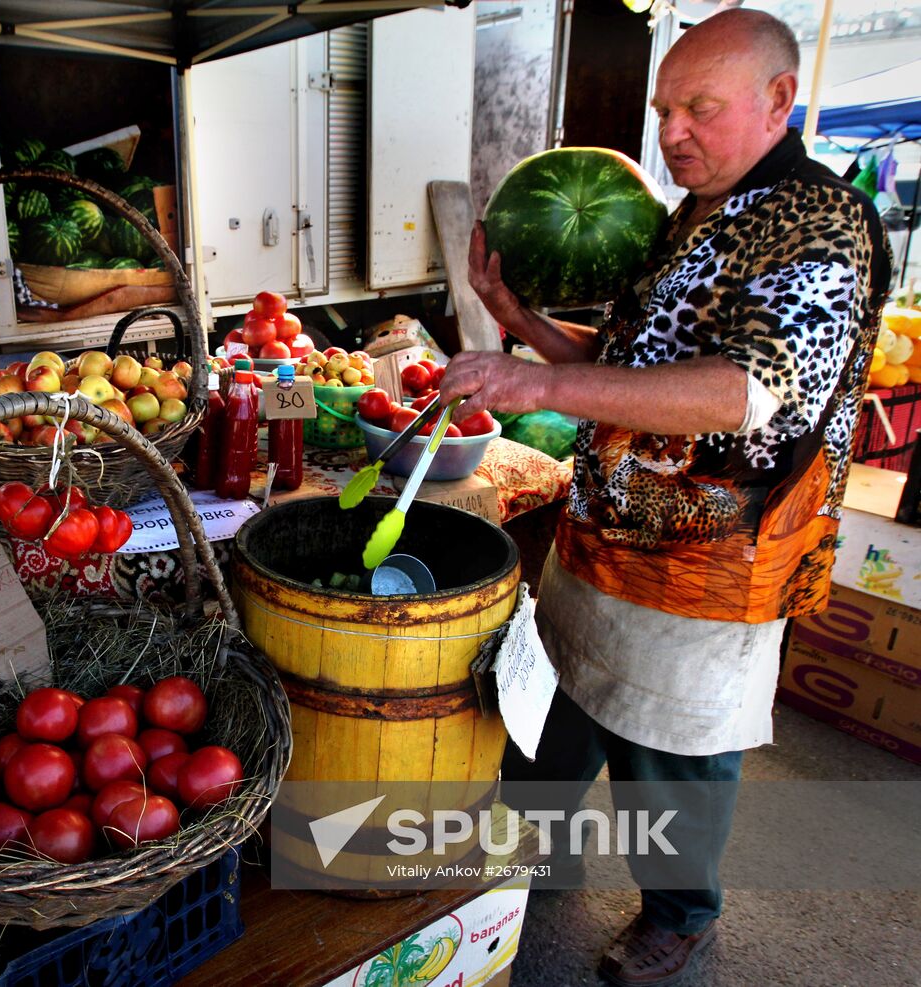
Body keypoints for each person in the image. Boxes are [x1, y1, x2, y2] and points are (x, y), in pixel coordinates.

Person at [440, 9, 891, 987]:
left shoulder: (819, 226)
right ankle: (534, 862)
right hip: (602, 532)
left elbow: (745, 389)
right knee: (550, 713)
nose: (671, 131)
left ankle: (680, 918)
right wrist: (520, 325)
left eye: (700, 107)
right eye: (663, 108)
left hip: (708, 561)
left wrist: (541, 387)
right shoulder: (691, 214)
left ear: (779, 100)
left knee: (673, 764)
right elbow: (625, 369)